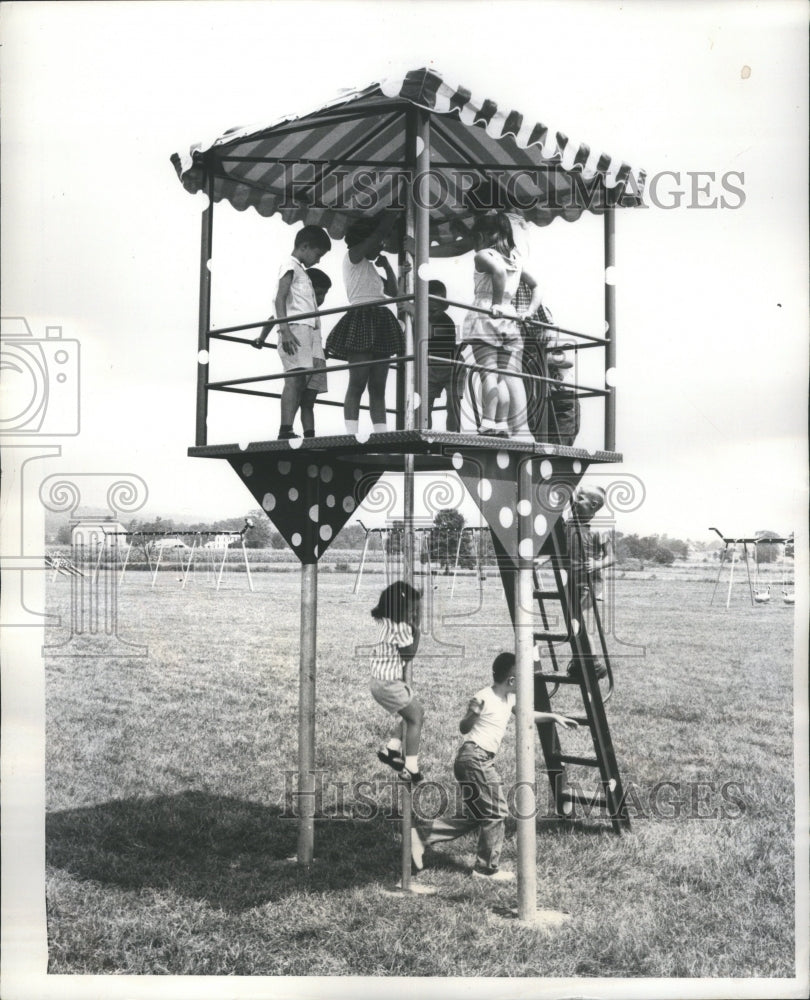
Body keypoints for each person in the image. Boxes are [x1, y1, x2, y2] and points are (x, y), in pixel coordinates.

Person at [410, 652, 578, 881]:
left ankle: (421, 835)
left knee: (477, 815)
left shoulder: (509, 698)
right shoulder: (484, 697)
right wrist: (472, 714)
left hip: (476, 760)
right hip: (474, 758)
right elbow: (464, 727)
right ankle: (485, 869)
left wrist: (555, 716)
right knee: (497, 811)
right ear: (511, 681)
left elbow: (527, 715)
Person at [459, 213, 544, 439]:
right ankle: (502, 423)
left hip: (487, 314)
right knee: (504, 375)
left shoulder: (483, 255)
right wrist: (529, 311)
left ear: (482, 236)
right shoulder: (516, 259)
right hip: (511, 317)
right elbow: (536, 286)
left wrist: (495, 303)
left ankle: (488, 422)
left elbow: (496, 272)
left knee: (488, 372)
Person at [325, 213, 404, 435]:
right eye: (377, 244)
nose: (380, 248)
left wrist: (387, 266)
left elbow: (393, 292)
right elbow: (375, 236)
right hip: (361, 316)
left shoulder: (370, 268)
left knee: (378, 385)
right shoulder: (353, 256)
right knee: (357, 382)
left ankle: (380, 432)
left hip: (380, 318)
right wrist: (390, 215)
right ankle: (352, 433)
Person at [252, 225, 332, 439]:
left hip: (303, 331)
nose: (318, 259)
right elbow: (279, 298)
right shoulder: (290, 265)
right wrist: (284, 330)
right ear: (305, 246)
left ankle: (294, 430)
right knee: (294, 380)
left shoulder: (301, 271)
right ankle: (285, 429)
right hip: (294, 330)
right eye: (318, 254)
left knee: (299, 382)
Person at [369, 580, 425, 784]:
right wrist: (416, 632)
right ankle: (411, 767)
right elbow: (409, 655)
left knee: (410, 715)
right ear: (399, 610)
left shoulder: (384, 621)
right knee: (417, 717)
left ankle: (392, 748)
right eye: (411, 611)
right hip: (389, 684)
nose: (414, 615)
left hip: (378, 682)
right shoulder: (401, 628)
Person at [424, 280, 460, 432]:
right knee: (425, 405)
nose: (433, 313)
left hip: (451, 366)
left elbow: (429, 332)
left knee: (453, 405)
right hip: (431, 366)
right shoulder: (424, 317)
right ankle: (426, 436)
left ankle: (453, 438)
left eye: (436, 310)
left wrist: (415, 313)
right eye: (429, 310)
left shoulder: (447, 321)